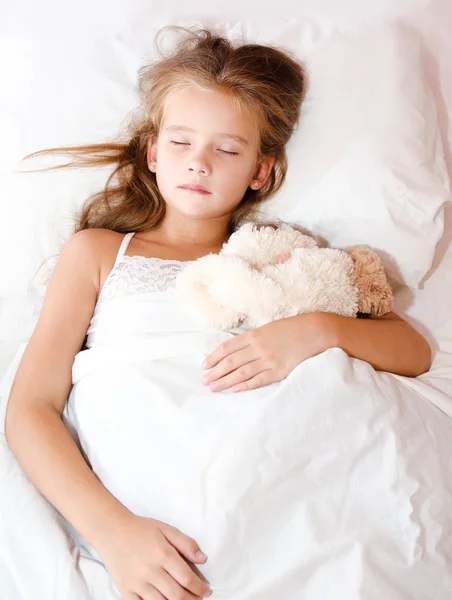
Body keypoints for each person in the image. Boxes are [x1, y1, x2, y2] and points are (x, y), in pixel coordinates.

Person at [3, 26, 431, 600]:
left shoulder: (280, 253)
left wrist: (313, 331)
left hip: (292, 469)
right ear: (153, 152)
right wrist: (112, 533)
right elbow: (30, 406)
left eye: (227, 149)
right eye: (181, 143)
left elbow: (414, 350)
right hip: (163, 493)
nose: (200, 163)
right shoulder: (101, 253)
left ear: (261, 171)